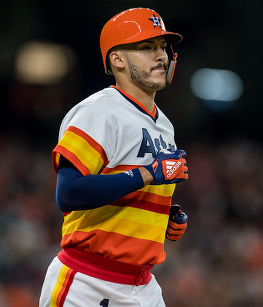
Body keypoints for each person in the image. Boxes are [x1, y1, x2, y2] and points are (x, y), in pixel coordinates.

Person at [39, 7, 189, 307]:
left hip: (144, 286)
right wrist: (146, 174)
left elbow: (137, 187)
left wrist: (162, 218)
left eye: (162, 47)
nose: (160, 55)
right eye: (147, 47)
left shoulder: (165, 125)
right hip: (88, 282)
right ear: (117, 59)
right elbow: (68, 193)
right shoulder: (99, 111)